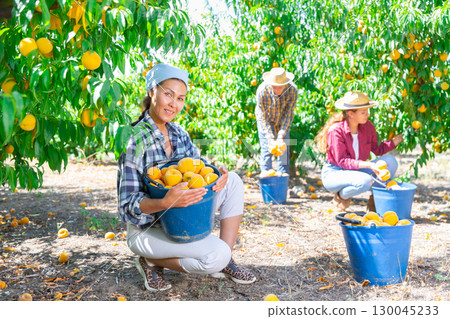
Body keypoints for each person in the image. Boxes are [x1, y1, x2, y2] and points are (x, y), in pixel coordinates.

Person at [117, 64, 256, 291]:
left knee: (233, 182)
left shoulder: (180, 134)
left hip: (180, 220)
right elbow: (126, 207)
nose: (174, 104)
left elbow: (198, 175)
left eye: (180, 98)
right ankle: (150, 259)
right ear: (152, 91)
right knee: (215, 255)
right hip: (147, 230)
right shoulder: (134, 139)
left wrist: (215, 178)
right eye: (168, 94)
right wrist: (164, 202)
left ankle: (226, 261)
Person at [314, 91, 403, 211]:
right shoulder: (336, 131)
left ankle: (375, 201)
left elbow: (377, 150)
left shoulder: (368, 127)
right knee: (366, 181)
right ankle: (340, 197)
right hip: (335, 173)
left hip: (356, 170)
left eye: (367, 111)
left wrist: (398, 139)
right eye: (363, 112)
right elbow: (342, 161)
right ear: (351, 113)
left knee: (390, 161)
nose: (367, 115)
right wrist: (370, 165)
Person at [255, 67, 298, 175]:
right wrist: (270, 137)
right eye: (274, 87)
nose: (277, 90)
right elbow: (262, 117)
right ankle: (267, 178)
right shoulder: (262, 91)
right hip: (266, 120)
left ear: (285, 84)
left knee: (283, 150)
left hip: (282, 120)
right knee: (266, 149)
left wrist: (280, 136)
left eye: (280, 87)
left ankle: (282, 180)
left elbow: (288, 115)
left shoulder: (292, 90)